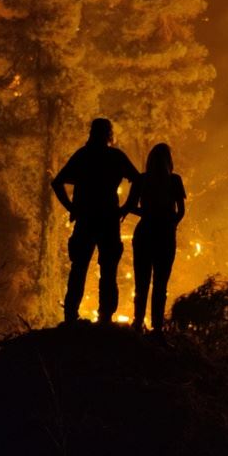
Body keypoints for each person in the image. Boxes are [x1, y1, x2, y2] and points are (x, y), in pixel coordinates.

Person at [51, 118, 139, 324]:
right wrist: (127, 207)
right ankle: (105, 317)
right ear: (109, 134)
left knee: (79, 268)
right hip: (108, 220)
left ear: (91, 133)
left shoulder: (83, 156)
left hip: (86, 219)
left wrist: (71, 207)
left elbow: (57, 182)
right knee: (108, 270)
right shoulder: (115, 156)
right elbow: (138, 180)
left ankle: (71, 316)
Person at [121, 143, 185, 334]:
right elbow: (181, 211)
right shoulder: (174, 180)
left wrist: (147, 213)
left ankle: (138, 323)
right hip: (165, 236)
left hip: (145, 233)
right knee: (160, 285)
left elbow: (130, 206)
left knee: (142, 283)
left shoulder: (142, 179)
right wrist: (170, 222)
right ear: (169, 161)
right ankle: (156, 328)